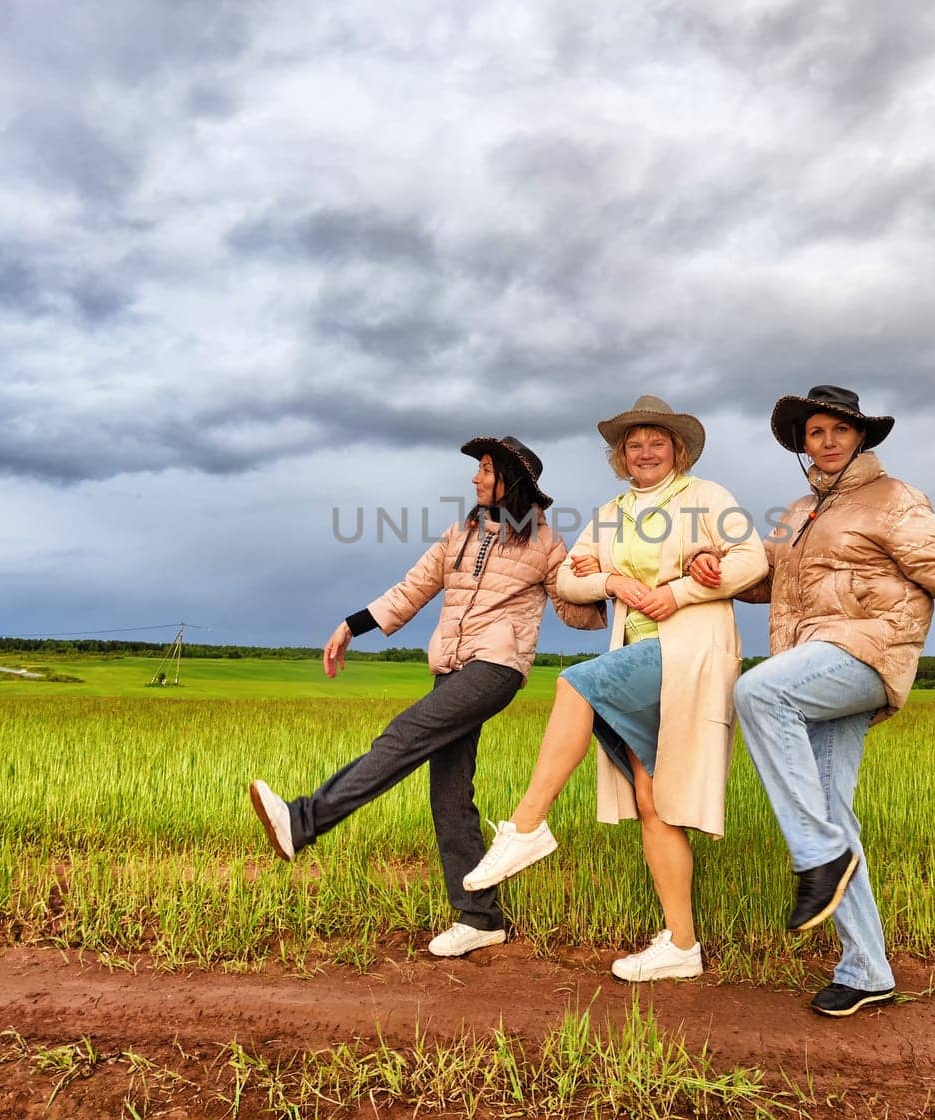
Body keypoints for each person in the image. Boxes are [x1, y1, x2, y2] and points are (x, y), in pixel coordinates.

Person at [728, 385, 935, 1017]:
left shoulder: (895, 500)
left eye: (840, 429)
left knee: (757, 690)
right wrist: (720, 567)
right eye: (816, 432)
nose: (829, 440)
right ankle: (867, 968)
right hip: (812, 662)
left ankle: (816, 856)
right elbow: (769, 581)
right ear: (803, 444)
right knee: (834, 812)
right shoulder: (796, 512)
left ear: (860, 435)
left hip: (868, 650)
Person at [248, 436, 605, 958]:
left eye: (485, 469)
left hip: (495, 668)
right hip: (451, 668)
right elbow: (412, 587)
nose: (475, 478)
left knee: (403, 734)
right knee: (449, 792)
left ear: (512, 478)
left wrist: (602, 586)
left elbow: (574, 609)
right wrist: (351, 625)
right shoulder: (459, 534)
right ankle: (480, 918)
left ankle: (303, 821)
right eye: (478, 469)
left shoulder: (545, 544)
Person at [460, 395, 768, 982]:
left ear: (677, 450)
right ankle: (682, 945)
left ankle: (527, 826)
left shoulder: (708, 498)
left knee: (577, 682)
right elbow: (572, 583)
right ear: (620, 456)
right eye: (633, 444)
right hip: (638, 658)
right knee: (655, 803)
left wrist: (681, 590)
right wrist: (615, 581)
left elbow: (750, 560)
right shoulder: (611, 511)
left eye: (656, 442)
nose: (644, 451)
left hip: (689, 653)